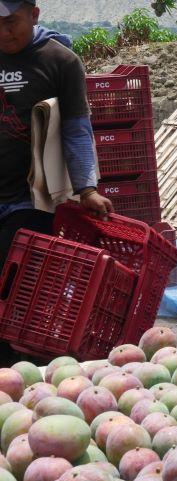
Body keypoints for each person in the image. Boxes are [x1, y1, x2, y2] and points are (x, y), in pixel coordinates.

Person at [0, 0, 112, 363]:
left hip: (31, 200)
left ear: (34, 15)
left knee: (20, 287)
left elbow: (77, 130)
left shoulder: (60, 61)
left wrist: (87, 188)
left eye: (10, 23)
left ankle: (25, 371)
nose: (3, 32)